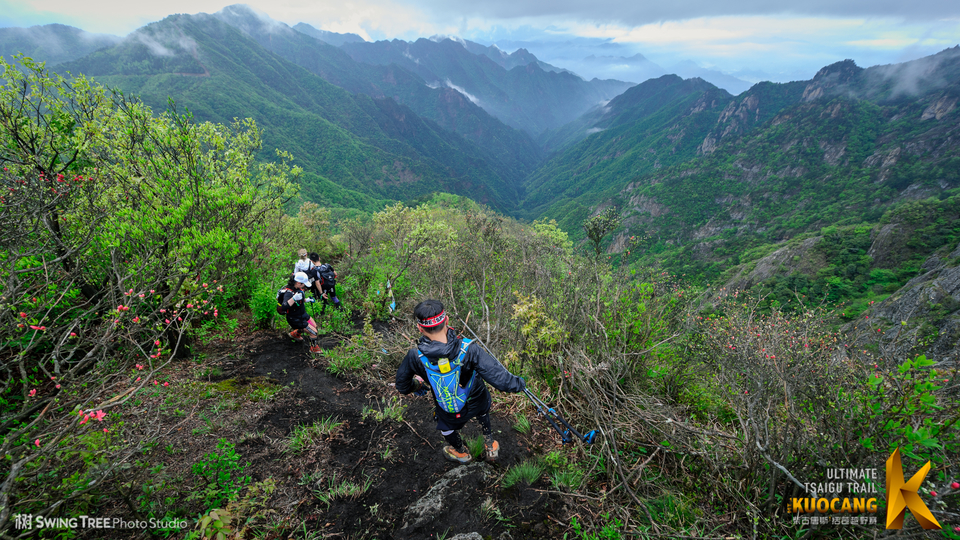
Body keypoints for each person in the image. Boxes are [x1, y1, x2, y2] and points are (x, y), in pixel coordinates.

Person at [395, 299, 525, 464]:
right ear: (447, 320)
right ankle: (490, 445)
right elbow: (503, 381)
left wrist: (418, 385)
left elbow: (402, 386)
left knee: (446, 428)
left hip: (449, 408)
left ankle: (461, 452)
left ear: (420, 328)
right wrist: (520, 383)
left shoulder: (415, 357)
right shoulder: (469, 349)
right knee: (483, 412)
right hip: (477, 399)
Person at [278, 272, 321, 353]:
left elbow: (300, 300)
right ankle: (314, 349)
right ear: (298, 282)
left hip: (302, 314)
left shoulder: (299, 289)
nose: (304, 285)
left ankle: (295, 334)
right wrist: (293, 298)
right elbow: (284, 306)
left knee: (314, 326)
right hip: (294, 318)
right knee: (314, 332)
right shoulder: (288, 293)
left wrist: (307, 300)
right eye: (303, 284)